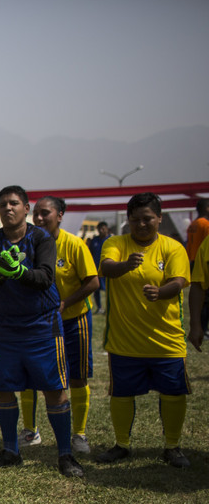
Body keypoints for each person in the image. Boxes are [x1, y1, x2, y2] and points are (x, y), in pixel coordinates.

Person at [0, 186, 85, 478]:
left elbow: (45, 277)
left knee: (54, 390)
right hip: (2, 328)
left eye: (14, 203)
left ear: (26, 208)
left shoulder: (41, 238)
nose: (7, 208)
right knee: (3, 389)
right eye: (2, 204)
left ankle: (65, 454)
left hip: (41, 328)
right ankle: (11, 450)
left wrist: (19, 272)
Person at [97, 193, 191, 468]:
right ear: (128, 221)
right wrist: (126, 265)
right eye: (135, 219)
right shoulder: (115, 243)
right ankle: (121, 445)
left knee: (173, 394)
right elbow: (107, 268)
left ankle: (172, 447)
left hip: (166, 340)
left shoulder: (173, 248)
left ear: (159, 219)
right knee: (122, 394)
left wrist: (161, 292)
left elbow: (179, 282)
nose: (141, 224)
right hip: (124, 341)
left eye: (147, 218)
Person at [18, 197, 99, 454]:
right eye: (37, 214)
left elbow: (93, 282)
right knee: (31, 377)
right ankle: (30, 431)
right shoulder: (28, 245)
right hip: (40, 323)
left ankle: (79, 434)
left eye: (46, 214)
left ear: (60, 215)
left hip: (74, 321)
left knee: (77, 377)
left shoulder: (75, 245)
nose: (40, 219)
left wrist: (65, 303)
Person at [186, 199, 209, 334]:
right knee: (205, 297)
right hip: (204, 261)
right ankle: (204, 328)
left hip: (194, 260)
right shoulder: (205, 224)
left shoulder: (193, 224)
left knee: (201, 296)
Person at [88, 222, 111, 314]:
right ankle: (99, 308)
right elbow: (90, 254)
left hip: (107, 270)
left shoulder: (110, 240)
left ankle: (109, 308)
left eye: (103, 228)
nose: (101, 230)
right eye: (99, 229)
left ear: (106, 228)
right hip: (96, 270)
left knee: (108, 291)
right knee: (96, 290)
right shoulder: (94, 241)